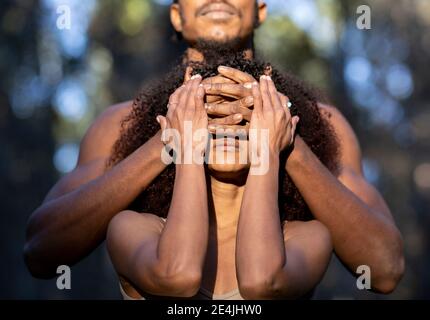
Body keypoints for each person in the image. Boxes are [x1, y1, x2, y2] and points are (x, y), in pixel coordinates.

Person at [24, 0, 404, 298]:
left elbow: (384, 269)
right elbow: (42, 250)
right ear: (176, 15)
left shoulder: (321, 124)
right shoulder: (119, 125)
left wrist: (288, 146)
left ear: (260, 10)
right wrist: (166, 145)